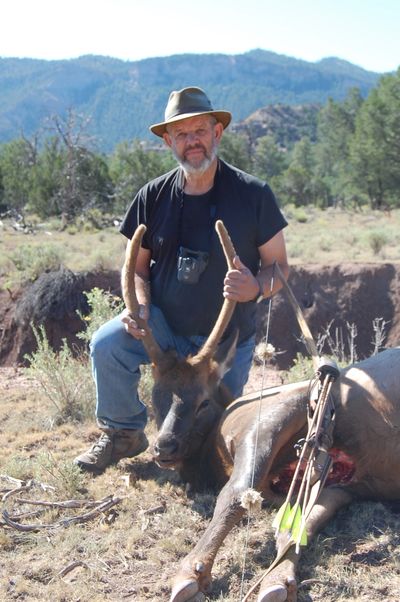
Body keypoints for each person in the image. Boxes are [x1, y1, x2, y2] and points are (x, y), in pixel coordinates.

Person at [74, 86, 289, 472]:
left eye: (200, 132)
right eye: (182, 134)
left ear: (216, 134)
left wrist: (256, 286)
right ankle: (122, 434)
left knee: (219, 438)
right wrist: (137, 306)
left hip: (224, 342)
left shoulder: (254, 195)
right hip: (164, 330)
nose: (192, 142)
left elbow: (280, 268)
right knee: (107, 345)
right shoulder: (151, 197)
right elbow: (137, 269)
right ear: (168, 141)